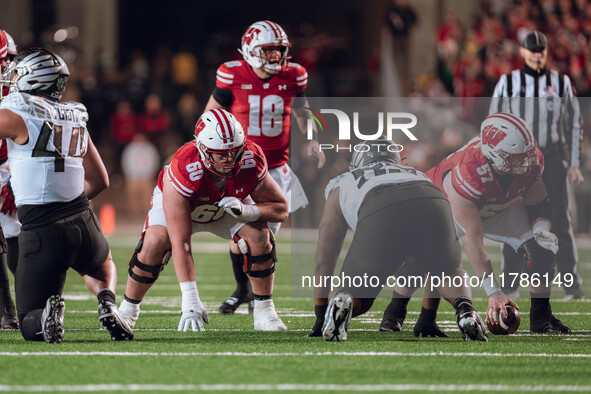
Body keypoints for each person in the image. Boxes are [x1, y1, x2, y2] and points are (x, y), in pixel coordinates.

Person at [381, 113, 571, 334]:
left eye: (527, 154)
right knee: (423, 259)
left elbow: (539, 203)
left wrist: (540, 228)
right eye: (518, 157)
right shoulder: (468, 172)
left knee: (541, 248)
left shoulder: (527, 159)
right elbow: (473, 242)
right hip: (440, 203)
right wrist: (494, 293)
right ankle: (394, 314)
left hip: (497, 205)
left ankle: (541, 318)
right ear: (495, 155)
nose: (527, 161)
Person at [0, 48, 132, 343]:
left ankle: (47, 315)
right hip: (83, 220)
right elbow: (100, 180)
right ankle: (108, 301)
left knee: (28, 323)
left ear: (33, 80)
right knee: (103, 263)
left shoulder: (18, 113)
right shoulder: (75, 115)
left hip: (40, 229)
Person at [118, 109, 289, 334]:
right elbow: (182, 243)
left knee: (260, 236)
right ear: (203, 150)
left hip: (226, 205)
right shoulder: (184, 167)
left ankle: (265, 311)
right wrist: (190, 299)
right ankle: (127, 311)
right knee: (155, 241)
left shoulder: (250, 157)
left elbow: (281, 209)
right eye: (222, 153)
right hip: (186, 208)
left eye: (235, 151)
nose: (230, 158)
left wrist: (247, 210)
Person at [309, 137, 487, 342]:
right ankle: (465, 309)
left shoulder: (343, 183)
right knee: (449, 271)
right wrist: (428, 318)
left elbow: (325, 259)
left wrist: (321, 314)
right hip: (432, 199)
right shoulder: (417, 173)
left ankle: (345, 299)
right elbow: (434, 265)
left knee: (357, 294)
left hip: (379, 206)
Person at [204, 20, 325, 315]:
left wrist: (311, 138)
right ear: (251, 50)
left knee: (264, 239)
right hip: (240, 168)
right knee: (241, 237)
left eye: (280, 51)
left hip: (275, 170)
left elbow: (302, 111)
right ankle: (243, 290)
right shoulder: (232, 74)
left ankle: (257, 296)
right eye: (269, 51)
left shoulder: (294, 75)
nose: (276, 57)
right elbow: (211, 115)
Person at [489, 31, 584, 299]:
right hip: (518, 159)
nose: (537, 54)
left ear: (546, 52)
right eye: (532, 50)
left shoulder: (561, 82)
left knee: (559, 222)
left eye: (541, 50)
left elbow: (574, 123)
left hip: (552, 157)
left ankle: (571, 286)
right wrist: (496, 161)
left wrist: (573, 162)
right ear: (522, 52)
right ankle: (509, 285)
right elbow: (494, 122)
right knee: (514, 220)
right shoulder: (507, 83)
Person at [0, 28, 19, 330]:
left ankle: (32, 304)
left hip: (10, 168)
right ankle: (7, 310)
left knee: (19, 238)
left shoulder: (16, 93)